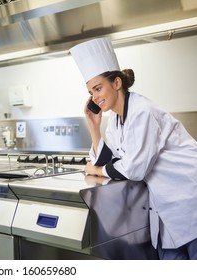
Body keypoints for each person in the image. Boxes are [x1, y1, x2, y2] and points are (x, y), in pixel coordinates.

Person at [70, 37, 197, 260]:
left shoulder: (142, 111)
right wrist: (94, 126)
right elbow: (107, 159)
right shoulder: (117, 120)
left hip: (189, 197)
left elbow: (133, 169)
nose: (95, 97)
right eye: (91, 92)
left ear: (117, 83)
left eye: (98, 88)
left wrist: (98, 171)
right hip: (168, 209)